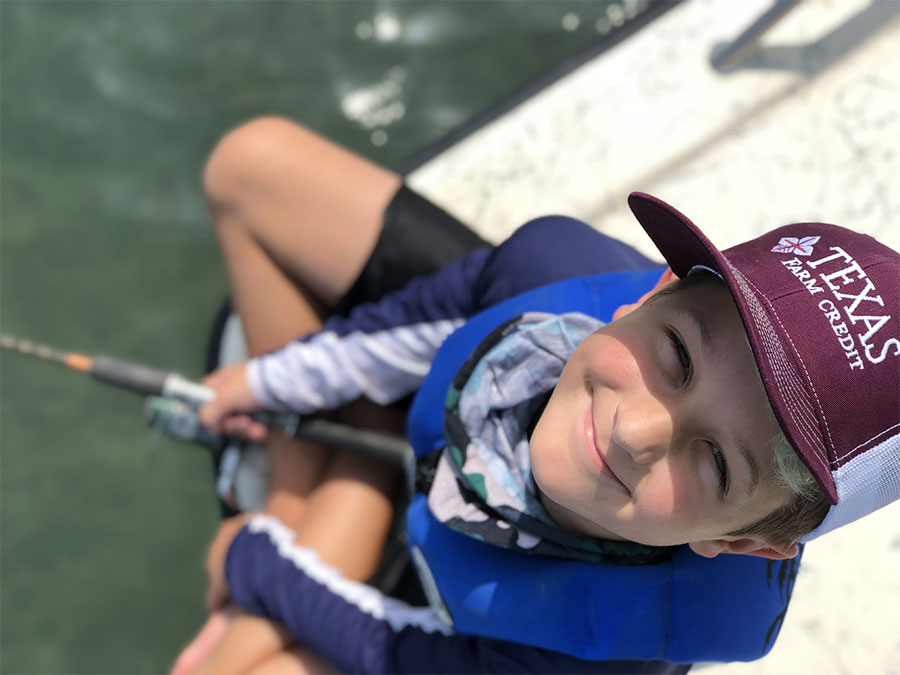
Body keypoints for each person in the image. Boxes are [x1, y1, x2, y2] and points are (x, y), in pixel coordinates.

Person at [172, 116, 900, 674]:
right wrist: (259, 383)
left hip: (461, 621)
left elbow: (393, 650)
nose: (637, 430)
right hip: (448, 452)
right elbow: (409, 326)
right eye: (676, 353)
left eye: (714, 461)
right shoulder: (549, 267)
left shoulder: (603, 652)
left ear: (737, 541)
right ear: (650, 294)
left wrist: (254, 561)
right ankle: (321, 504)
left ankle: (321, 508)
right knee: (252, 162)